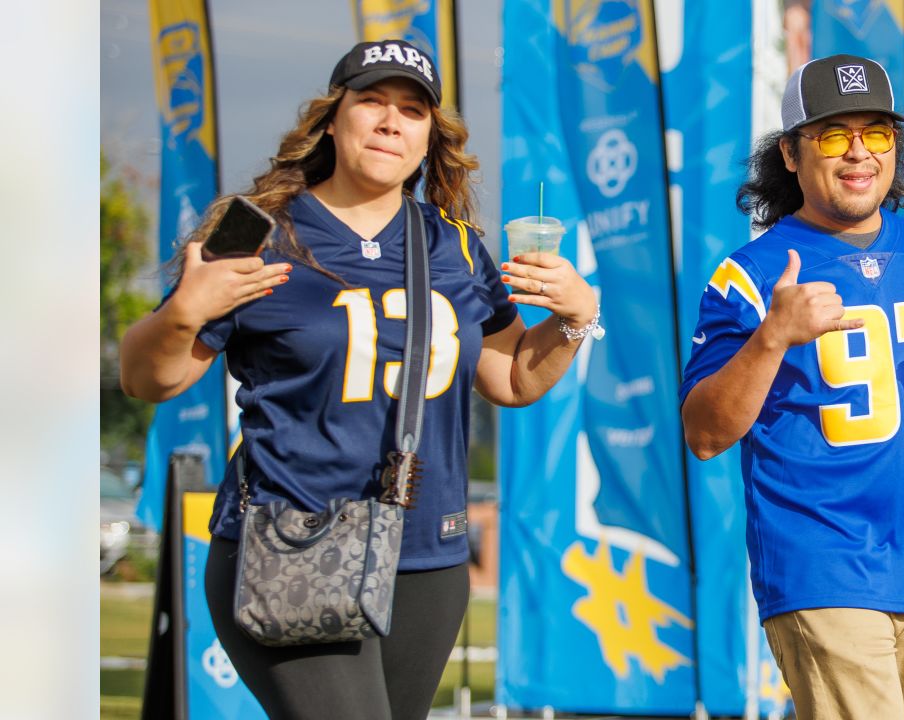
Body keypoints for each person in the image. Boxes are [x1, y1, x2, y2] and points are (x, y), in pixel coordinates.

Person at [120, 39, 600, 720]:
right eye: (371, 100)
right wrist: (184, 312)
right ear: (331, 119)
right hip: (291, 542)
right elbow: (146, 379)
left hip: (428, 556)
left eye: (411, 109)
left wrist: (578, 320)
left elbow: (515, 379)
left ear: (430, 136)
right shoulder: (263, 234)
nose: (389, 121)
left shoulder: (457, 246)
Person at [679, 54, 904, 719]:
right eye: (835, 135)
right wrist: (772, 336)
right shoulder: (751, 275)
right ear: (793, 154)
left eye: (877, 133)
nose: (859, 152)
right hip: (820, 564)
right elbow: (705, 433)